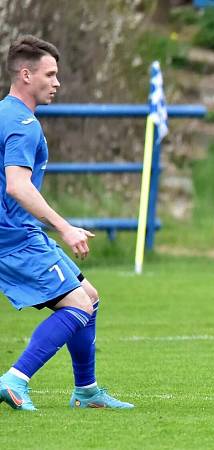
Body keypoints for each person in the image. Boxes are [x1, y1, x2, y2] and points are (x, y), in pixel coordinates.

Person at [0, 35, 133, 410]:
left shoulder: (3, 114)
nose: (57, 83)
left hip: (17, 233)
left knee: (89, 297)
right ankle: (15, 379)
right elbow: (17, 186)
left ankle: (86, 391)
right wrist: (65, 226)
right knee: (76, 305)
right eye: (50, 74)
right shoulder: (23, 123)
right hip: (14, 238)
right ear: (25, 75)